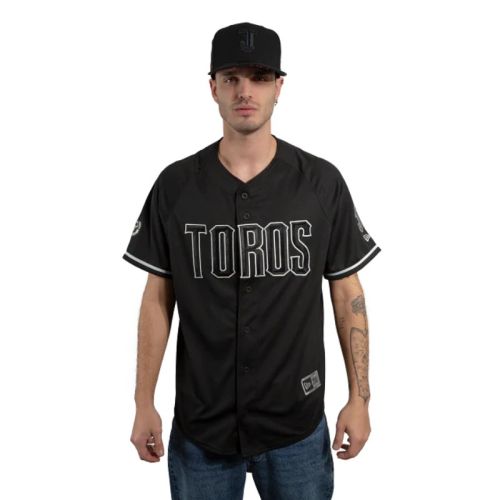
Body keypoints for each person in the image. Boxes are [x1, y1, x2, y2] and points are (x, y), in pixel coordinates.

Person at [124, 21, 382, 500]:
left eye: (260, 77)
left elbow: (348, 292)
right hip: (202, 429)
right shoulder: (175, 186)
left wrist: (360, 398)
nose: (245, 91)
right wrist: (143, 402)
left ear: (279, 87)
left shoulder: (320, 183)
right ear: (213, 88)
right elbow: (158, 298)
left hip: (296, 426)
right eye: (231, 78)